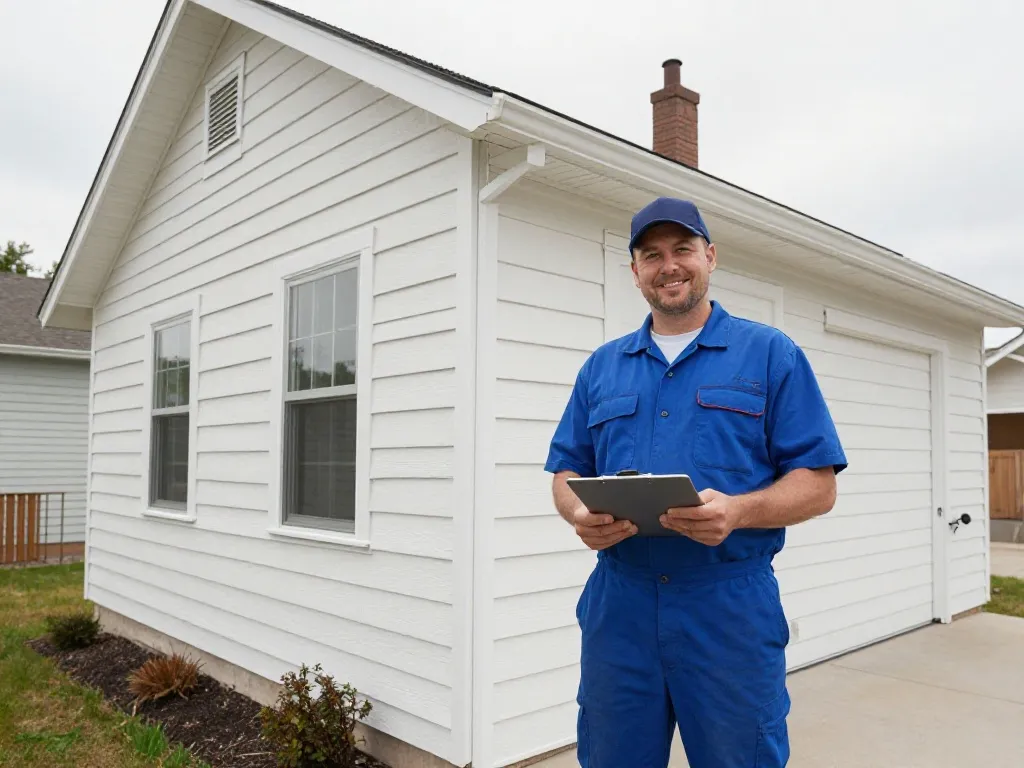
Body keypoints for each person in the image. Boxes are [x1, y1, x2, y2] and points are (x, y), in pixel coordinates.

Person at [544, 197, 848, 768]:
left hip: (728, 605)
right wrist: (578, 514)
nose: (669, 266)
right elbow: (566, 472)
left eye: (683, 249)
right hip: (621, 603)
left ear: (710, 257)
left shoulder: (770, 355)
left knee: (740, 758)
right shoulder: (601, 368)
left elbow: (818, 484)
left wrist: (739, 511)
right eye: (651, 254)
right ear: (635, 271)